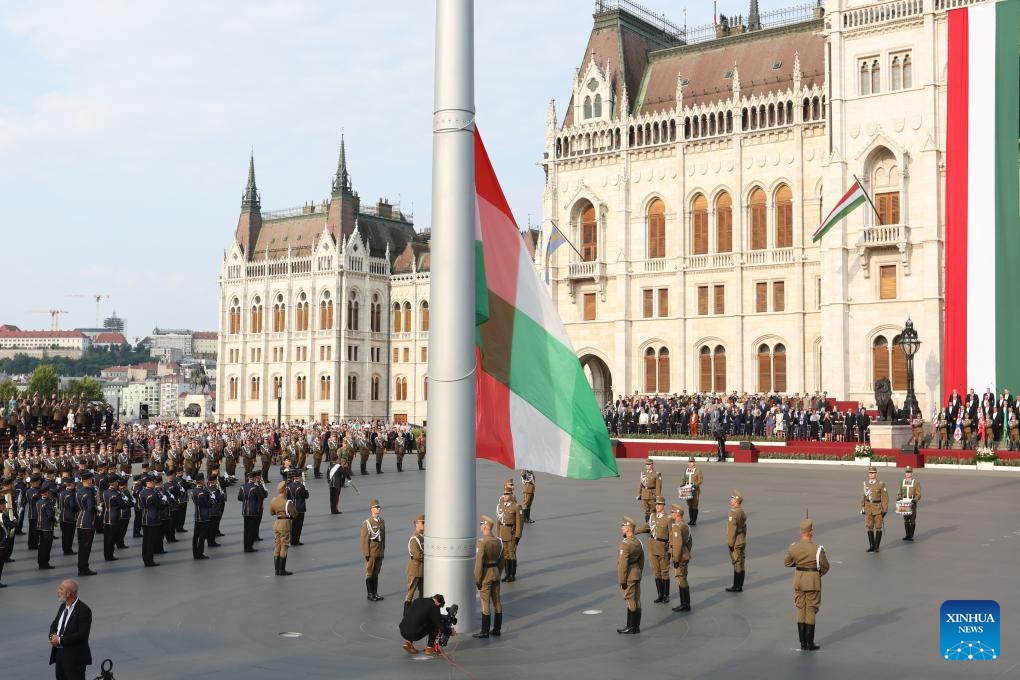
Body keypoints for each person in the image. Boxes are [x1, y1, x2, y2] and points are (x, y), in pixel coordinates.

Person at [783, 518, 830, 651]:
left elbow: (787, 563)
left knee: (800, 608)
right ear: (811, 532)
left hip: (798, 580)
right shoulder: (817, 549)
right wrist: (816, 574)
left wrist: (799, 564)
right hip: (812, 581)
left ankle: (802, 642)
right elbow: (825, 566)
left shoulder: (793, 547)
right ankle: (809, 643)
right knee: (810, 609)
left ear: (801, 532)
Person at [48, 579, 93, 680]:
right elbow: (54, 625)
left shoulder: (84, 610)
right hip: (60, 656)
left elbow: (82, 635)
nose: (57, 591)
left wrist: (59, 640)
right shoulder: (63, 606)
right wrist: (52, 637)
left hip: (75, 659)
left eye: (61, 589)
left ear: (68, 594)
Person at [473, 514, 505, 639]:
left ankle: (485, 631)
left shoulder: (482, 542)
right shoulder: (498, 541)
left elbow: (479, 562)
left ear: (486, 526)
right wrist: (498, 572)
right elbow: (502, 560)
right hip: (495, 573)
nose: (480, 527)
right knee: (497, 601)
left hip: (485, 574)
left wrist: (477, 578)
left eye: (482, 524)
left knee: (485, 602)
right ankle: (497, 629)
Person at [635, 496, 671, 604]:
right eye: (656, 504)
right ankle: (660, 594)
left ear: (664, 506)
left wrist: (670, 550)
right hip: (653, 546)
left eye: (659, 504)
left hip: (662, 546)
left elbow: (671, 536)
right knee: (656, 572)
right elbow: (647, 527)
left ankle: (666, 595)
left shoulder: (668, 518)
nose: (657, 506)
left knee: (664, 572)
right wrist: (634, 531)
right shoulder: (652, 516)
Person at [617, 516, 644, 634]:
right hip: (637, 572)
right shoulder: (638, 542)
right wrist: (639, 572)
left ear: (628, 528)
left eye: (623, 525)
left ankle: (631, 626)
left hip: (629, 574)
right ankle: (635, 626)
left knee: (629, 599)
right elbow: (642, 560)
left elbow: (623, 564)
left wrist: (622, 580)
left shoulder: (625, 544)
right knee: (637, 599)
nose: (621, 527)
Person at [496, 479, 522, 582]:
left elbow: (519, 522)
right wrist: (498, 535)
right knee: (505, 554)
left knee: (511, 554)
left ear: (511, 495)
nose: (505, 496)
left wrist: (517, 536)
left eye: (507, 495)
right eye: (504, 494)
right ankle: (506, 574)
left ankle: (512, 574)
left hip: (511, 533)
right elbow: (498, 521)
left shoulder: (516, 506)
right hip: (503, 532)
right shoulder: (501, 506)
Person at [269, 480, 297, 576]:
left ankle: (276, 570)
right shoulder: (287, 502)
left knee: (277, 545)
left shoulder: (273, 500)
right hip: (285, 524)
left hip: (277, 523)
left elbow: (272, 512)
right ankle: (282, 570)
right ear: (285, 490)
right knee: (284, 546)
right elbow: (294, 514)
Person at [668, 503, 693, 613]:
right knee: (683, 578)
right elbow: (690, 541)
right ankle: (685, 603)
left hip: (680, 557)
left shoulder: (677, 526)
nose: (671, 514)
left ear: (677, 514)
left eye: (672, 512)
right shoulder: (685, 525)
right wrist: (686, 551)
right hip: (685, 554)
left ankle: (685, 604)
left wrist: (676, 559)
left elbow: (677, 545)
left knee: (680, 578)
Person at [361, 498, 386, 601]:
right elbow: (364, 539)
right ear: (371, 509)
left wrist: (383, 549)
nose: (378, 509)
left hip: (379, 550)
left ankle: (375, 592)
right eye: (376, 507)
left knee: (376, 572)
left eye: (379, 507)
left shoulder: (382, 521)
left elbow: (383, 537)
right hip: (371, 551)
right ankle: (370, 593)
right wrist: (367, 554)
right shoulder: (368, 523)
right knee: (370, 572)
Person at [860, 467, 888, 553]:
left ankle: (877, 546)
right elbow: (864, 496)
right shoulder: (866, 484)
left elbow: (885, 497)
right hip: (868, 508)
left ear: (876, 474)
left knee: (878, 527)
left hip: (877, 508)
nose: (871, 474)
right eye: (870, 473)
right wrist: (862, 507)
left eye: (873, 473)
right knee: (869, 527)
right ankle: (871, 545)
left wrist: (884, 509)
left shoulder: (880, 484)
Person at [74, 473, 98, 576]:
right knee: (86, 547)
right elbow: (91, 507)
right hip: (88, 521)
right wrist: (98, 508)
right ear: (88, 481)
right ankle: (84, 568)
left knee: (81, 547)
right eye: (91, 480)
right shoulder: (89, 493)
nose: (91, 481)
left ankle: (81, 567)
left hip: (80, 520)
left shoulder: (79, 491)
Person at [239, 470, 267, 553]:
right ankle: (249, 547)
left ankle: (246, 546)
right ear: (255, 478)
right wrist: (261, 486)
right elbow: (263, 495)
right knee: (251, 529)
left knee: (246, 529)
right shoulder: (255, 487)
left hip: (245, 510)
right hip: (253, 511)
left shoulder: (243, 486)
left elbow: (240, 498)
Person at [725, 490, 747, 593]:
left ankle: (737, 586)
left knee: (737, 562)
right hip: (742, 539)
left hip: (736, 541)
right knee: (741, 562)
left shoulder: (733, 513)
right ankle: (740, 584)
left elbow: (731, 530)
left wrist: (730, 544)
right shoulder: (741, 511)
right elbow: (744, 527)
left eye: (732, 498)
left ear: (736, 500)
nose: (731, 500)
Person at [404, 514, 425, 613]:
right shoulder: (414, 539)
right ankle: (406, 613)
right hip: (415, 569)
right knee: (410, 593)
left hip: (423, 569)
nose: (425, 525)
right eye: (423, 523)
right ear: (416, 524)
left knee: (423, 592)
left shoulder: (423, 537)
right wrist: (429, 559)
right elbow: (417, 555)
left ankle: (420, 612)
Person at [897, 466, 922, 541]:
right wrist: (899, 497)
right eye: (907, 472)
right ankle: (907, 535)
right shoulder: (902, 482)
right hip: (904, 502)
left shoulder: (916, 482)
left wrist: (915, 500)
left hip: (912, 502)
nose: (908, 474)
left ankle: (911, 535)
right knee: (905, 519)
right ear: (905, 473)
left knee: (912, 519)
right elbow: (900, 492)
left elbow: (918, 494)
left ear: (912, 473)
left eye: (909, 472)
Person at [190, 473, 211, 560]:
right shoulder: (203, 492)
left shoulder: (193, 491)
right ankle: (200, 553)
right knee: (202, 536)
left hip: (197, 515)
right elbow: (209, 504)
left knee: (195, 536)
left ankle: (195, 553)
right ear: (202, 481)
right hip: (204, 515)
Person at [284, 471, 309, 545]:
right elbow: (306, 496)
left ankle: (292, 539)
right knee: (298, 525)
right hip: (300, 507)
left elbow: (287, 496)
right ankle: (295, 540)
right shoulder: (301, 486)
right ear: (300, 477)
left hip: (291, 507)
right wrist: (305, 487)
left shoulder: (289, 485)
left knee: (293, 524)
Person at [36, 484, 57, 570]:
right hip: (47, 527)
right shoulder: (48, 503)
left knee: (41, 546)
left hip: (39, 526)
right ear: (47, 493)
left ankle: (40, 562)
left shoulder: (38, 502)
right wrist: (55, 519)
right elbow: (50, 516)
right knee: (46, 547)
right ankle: (45, 563)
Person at [636, 459, 662, 524]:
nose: (647, 466)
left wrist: (658, 496)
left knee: (653, 510)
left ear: (652, 465)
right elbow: (641, 484)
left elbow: (658, 486)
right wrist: (639, 493)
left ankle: (653, 525)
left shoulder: (656, 474)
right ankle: (647, 525)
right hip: (644, 494)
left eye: (649, 464)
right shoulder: (644, 473)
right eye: (646, 464)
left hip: (652, 494)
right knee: (646, 510)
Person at [682, 457, 703, 525]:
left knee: (695, 505)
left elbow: (700, 480)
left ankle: (694, 520)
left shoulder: (698, 471)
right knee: (689, 505)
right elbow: (684, 479)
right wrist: (682, 484)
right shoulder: (686, 470)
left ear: (694, 463)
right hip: (687, 489)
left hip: (695, 490)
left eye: (692, 462)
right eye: (689, 462)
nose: (690, 463)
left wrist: (696, 485)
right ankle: (691, 520)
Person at [0, 496, 16, 585]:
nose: (5, 506)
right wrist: (14, 521)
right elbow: (10, 525)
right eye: (3, 504)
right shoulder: (3, 515)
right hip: (2, 543)